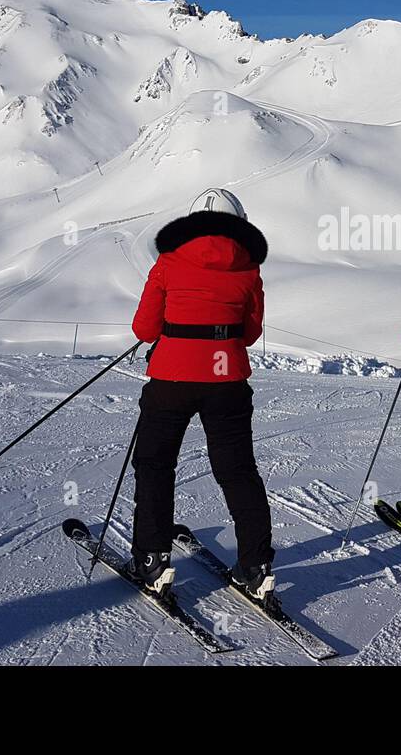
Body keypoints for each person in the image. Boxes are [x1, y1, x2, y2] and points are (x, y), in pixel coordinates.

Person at [127, 188, 275, 600]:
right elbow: (249, 333)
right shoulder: (249, 270)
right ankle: (256, 565)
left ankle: (152, 559)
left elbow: (144, 330)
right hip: (227, 380)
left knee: (156, 465)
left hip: (171, 379)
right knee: (238, 471)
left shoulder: (169, 263)